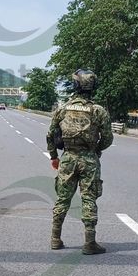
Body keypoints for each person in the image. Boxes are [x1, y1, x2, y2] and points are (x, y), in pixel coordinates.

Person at [46, 69, 113, 255]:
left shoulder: (62, 109)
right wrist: (96, 150)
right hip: (89, 159)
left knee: (63, 198)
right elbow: (108, 138)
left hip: (67, 158)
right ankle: (90, 242)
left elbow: (50, 135)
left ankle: (55, 238)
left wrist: (54, 157)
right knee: (89, 198)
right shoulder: (98, 111)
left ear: (75, 85)